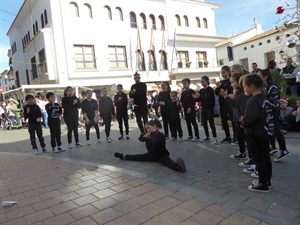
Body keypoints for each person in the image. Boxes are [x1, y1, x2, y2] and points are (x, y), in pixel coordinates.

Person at [114, 119, 186, 172]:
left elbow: (155, 141)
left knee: (168, 162)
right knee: (139, 157)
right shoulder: (149, 135)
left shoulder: (160, 135)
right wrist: (144, 135)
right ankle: (123, 156)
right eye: (146, 129)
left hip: (161, 155)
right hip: (151, 155)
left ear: (154, 127)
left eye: (148, 128)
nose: (147, 130)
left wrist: (150, 135)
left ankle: (178, 167)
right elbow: (140, 139)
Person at [240, 74, 273, 193]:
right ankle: (267, 180)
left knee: (258, 158)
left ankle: (262, 183)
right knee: (265, 157)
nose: (244, 89)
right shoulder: (264, 98)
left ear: (252, 86)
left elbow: (249, 119)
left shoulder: (253, 100)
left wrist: (242, 120)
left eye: (245, 86)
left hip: (255, 133)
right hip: (264, 132)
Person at [260, 69, 290, 162]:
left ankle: (283, 150)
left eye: (259, 76)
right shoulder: (267, 86)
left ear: (265, 77)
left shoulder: (271, 86)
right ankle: (273, 147)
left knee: (276, 129)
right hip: (271, 109)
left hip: (273, 109)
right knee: (271, 129)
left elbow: (269, 99)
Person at [193, 76, 218, 144]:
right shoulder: (201, 90)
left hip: (210, 108)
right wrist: (195, 98)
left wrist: (201, 98)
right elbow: (200, 99)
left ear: (207, 81)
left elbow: (208, 98)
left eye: (203, 81)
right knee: (204, 122)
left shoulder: (210, 89)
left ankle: (215, 137)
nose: (202, 83)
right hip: (203, 108)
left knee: (211, 122)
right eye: (201, 82)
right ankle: (207, 136)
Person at [215, 66, 235, 143]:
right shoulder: (221, 82)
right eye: (221, 73)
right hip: (222, 104)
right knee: (224, 120)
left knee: (233, 120)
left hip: (229, 103)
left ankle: (235, 137)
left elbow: (229, 90)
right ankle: (227, 136)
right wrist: (218, 87)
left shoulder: (231, 81)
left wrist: (221, 86)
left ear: (228, 72)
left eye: (224, 72)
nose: (222, 74)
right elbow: (217, 93)